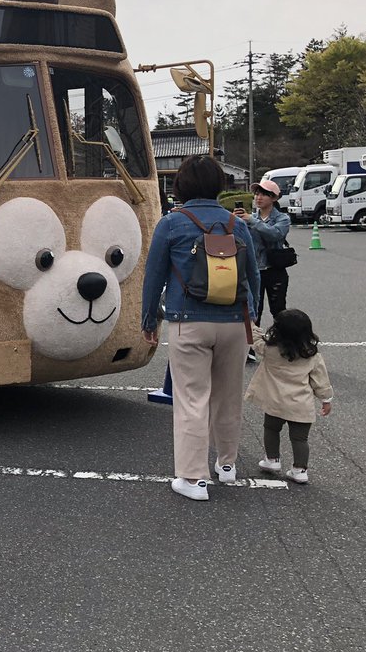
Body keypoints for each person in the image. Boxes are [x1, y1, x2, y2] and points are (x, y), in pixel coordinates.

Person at [141, 155, 261, 502]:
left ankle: (194, 479)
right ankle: (227, 464)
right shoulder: (235, 224)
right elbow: (252, 274)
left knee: (192, 399)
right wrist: (251, 314)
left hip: (188, 321)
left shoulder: (172, 223)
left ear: (180, 185)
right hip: (233, 323)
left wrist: (149, 320)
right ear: (219, 184)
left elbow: (153, 278)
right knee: (228, 396)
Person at [247, 309, 334, 484]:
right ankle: (300, 469)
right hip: (300, 405)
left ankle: (272, 460)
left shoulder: (270, 349)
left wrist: (250, 324)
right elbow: (320, 381)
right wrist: (326, 400)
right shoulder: (311, 355)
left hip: (275, 401)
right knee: (300, 438)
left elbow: (255, 340)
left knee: (271, 429)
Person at [239, 178, 292, 360]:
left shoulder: (282, 218)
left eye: (263, 194)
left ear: (274, 198)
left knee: (279, 310)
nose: (258, 197)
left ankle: (284, 345)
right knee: (254, 309)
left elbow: (275, 234)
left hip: (275, 270)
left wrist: (252, 222)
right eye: (257, 193)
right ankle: (251, 348)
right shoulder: (250, 217)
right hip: (255, 270)